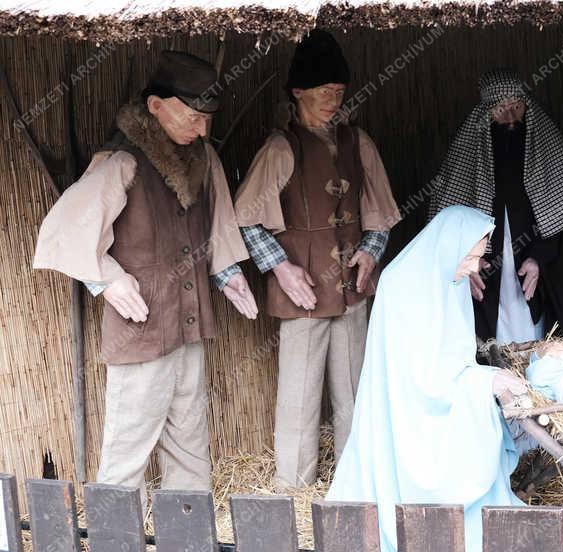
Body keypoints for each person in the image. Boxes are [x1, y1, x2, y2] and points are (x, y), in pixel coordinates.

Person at [33, 51, 256, 495]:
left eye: (207, 119)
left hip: (188, 324)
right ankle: (113, 538)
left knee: (191, 442)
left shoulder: (204, 158)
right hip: (141, 331)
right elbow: (65, 228)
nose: (203, 129)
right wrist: (107, 279)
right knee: (127, 450)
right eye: (192, 117)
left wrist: (226, 271)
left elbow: (219, 222)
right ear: (156, 106)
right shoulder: (122, 161)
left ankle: (189, 535)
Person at [233, 29, 401, 488]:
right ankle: (294, 490)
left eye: (339, 92)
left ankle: (354, 483)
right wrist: (280, 268)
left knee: (354, 395)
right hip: (303, 294)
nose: (333, 100)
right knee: (298, 399)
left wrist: (370, 250)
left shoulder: (357, 142)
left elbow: (382, 215)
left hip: (352, 293)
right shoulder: (280, 148)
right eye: (324, 92)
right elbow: (244, 218)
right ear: (298, 92)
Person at [327, 205, 527, 552]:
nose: (474, 267)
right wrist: (482, 383)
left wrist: (486, 378)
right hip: (409, 415)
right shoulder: (403, 284)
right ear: (449, 246)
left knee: (487, 412)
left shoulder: (451, 279)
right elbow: (419, 380)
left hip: (440, 396)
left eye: (478, 258)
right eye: (470, 257)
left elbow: (453, 359)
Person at [428, 69, 563, 344]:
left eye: (516, 107)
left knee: (534, 331)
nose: (511, 118)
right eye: (501, 110)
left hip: (532, 263)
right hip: (486, 269)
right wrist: (465, 259)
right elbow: (447, 219)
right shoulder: (468, 155)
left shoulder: (546, 147)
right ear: (486, 114)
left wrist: (539, 257)